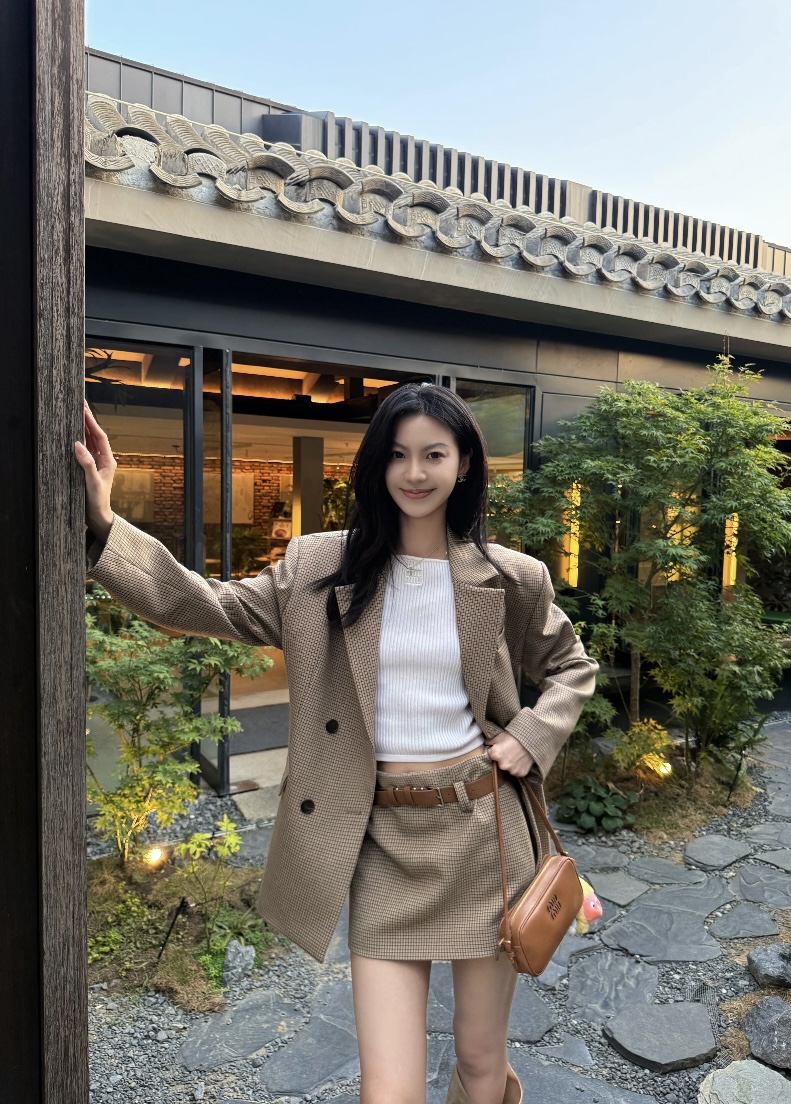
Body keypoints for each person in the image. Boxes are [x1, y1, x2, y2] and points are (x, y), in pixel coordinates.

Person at [75, 382, 598, 1104]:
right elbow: (209, 605)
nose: (414, 472)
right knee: (388, 1090)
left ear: (464, 465)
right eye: (397, 454)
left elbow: (572, 666)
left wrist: (532, 735)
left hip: (487, 836)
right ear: (376, 466)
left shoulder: (512, 577)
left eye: (434, 455)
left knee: (481, 1066)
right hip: (380, 840)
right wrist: (106, 524)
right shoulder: (320, 568)